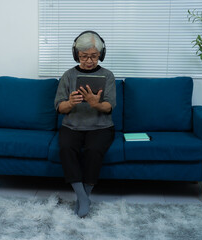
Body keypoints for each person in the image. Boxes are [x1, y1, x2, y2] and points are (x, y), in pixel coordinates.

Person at [54, 31, 116, 218]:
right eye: (84, 56)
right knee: (66, 148)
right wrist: (71, 103)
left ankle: (83, 197)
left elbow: (109, 107)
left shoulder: (108, 75)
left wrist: (95, 103)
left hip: (101, 126)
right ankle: (83, 197)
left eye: (94, 56)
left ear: (101, 55)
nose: (89, 61)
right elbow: (59, 107)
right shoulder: (68, 76)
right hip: (72, 125)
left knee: (94, 150)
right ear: (76, 55)